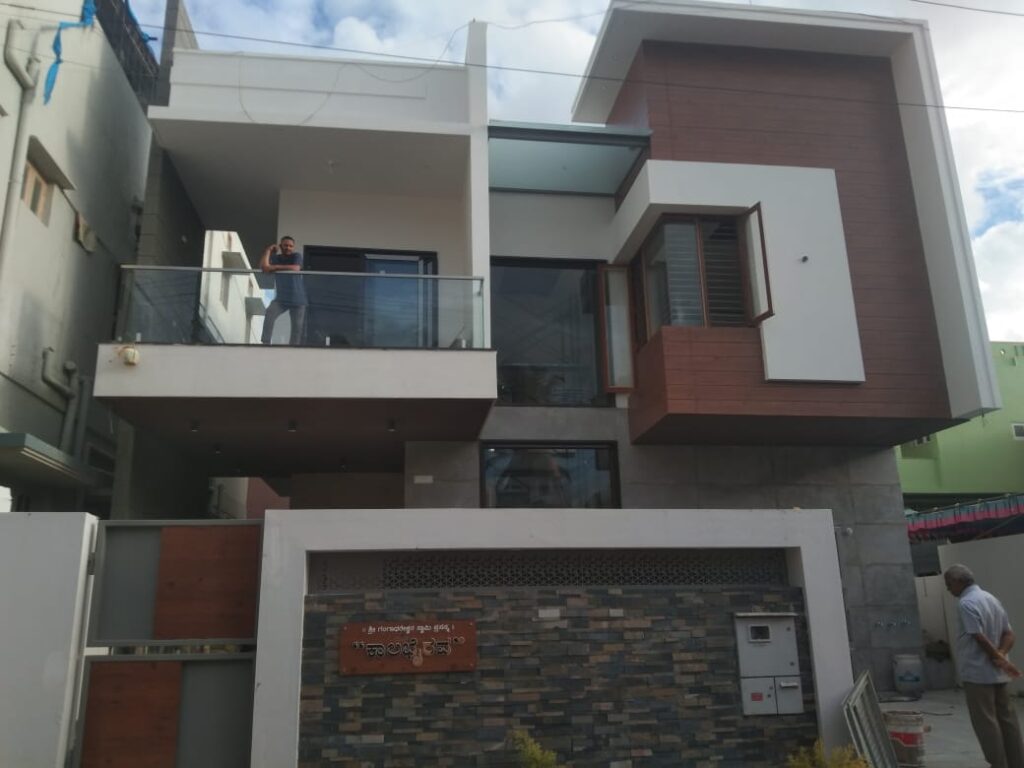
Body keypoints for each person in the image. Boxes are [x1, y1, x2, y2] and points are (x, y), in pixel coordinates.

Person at [944, 563, 1024, 768]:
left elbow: (978, 636)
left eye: (949, 584)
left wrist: (997, 657)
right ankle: (1017, 762)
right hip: (998, 673)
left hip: (977, 674)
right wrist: (1002, 656)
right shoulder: (991, 599)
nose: (948, 589)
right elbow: (1009, 633)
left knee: (986, 722)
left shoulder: (966, 603)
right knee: (1007, 719)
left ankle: (998, 763)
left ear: (958, 581)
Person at [260, 236, 307, 345]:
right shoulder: (276, 258)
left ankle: (293, 349)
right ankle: (265, 342)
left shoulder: (296, 256)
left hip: (298, 299)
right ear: (281, 246)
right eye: (285, 245)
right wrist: (268, 251)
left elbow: (296, 268)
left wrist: (274, 267)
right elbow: (264, 267)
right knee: (270, 313)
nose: (288, 248)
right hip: (282, 298)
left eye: (291, 246)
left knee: (297, 328)